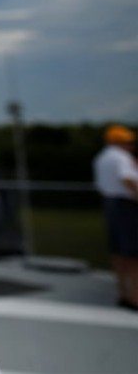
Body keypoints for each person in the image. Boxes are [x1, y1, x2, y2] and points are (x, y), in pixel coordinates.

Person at [93, 124, 138, 311]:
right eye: (128, 142)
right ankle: (135, 298)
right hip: (126, 205)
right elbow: (126, 179)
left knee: (119, 252)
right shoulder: (121, 157)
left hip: (110, 203)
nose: (131, 146)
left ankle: (124, 294)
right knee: (133, 254)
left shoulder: (102, 157)